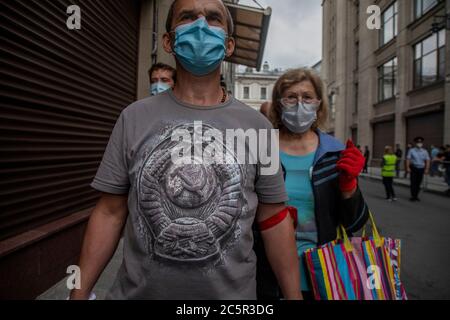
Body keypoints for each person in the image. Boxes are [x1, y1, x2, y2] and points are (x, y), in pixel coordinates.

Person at [70, 0, 302, 300]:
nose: (201, 25)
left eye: (214, 18)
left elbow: (274, 220)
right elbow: (110, 212)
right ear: (168, 40)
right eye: (188, 17)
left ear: (229, 45)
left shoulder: (259, 128)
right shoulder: (133, 118)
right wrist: (79, 294)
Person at [260, 68, 369, 300]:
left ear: (319, 104)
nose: (300, 104)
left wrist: (349, 186)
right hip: (266, 274)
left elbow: (355, 223)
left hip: (323, 273)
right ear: (279, 104)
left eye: (307, 97)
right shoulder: (261, 148)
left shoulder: (334, 152)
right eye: (291, 96)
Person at [406, 137, 430, 201]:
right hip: (413, 168)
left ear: (422, 143)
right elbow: (408, 159)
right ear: (416, 143)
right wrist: (408, 167)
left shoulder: (425, 151)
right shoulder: (411, 150)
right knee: (413, 182)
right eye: (418, 142)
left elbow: (427, 160)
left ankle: (416, 195)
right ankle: (413, 196)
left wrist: (427, 169)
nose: (419, 143)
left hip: (421, 168)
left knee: (418, 183)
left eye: (421, 142)